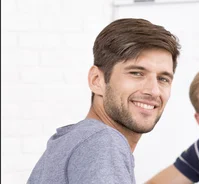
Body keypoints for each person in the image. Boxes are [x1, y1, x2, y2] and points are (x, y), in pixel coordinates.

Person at [27, 18, 181, 183]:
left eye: (163, 79)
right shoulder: (104, 142)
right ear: (96, 80)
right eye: (136, 73)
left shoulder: (70, 143)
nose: (154, 90)